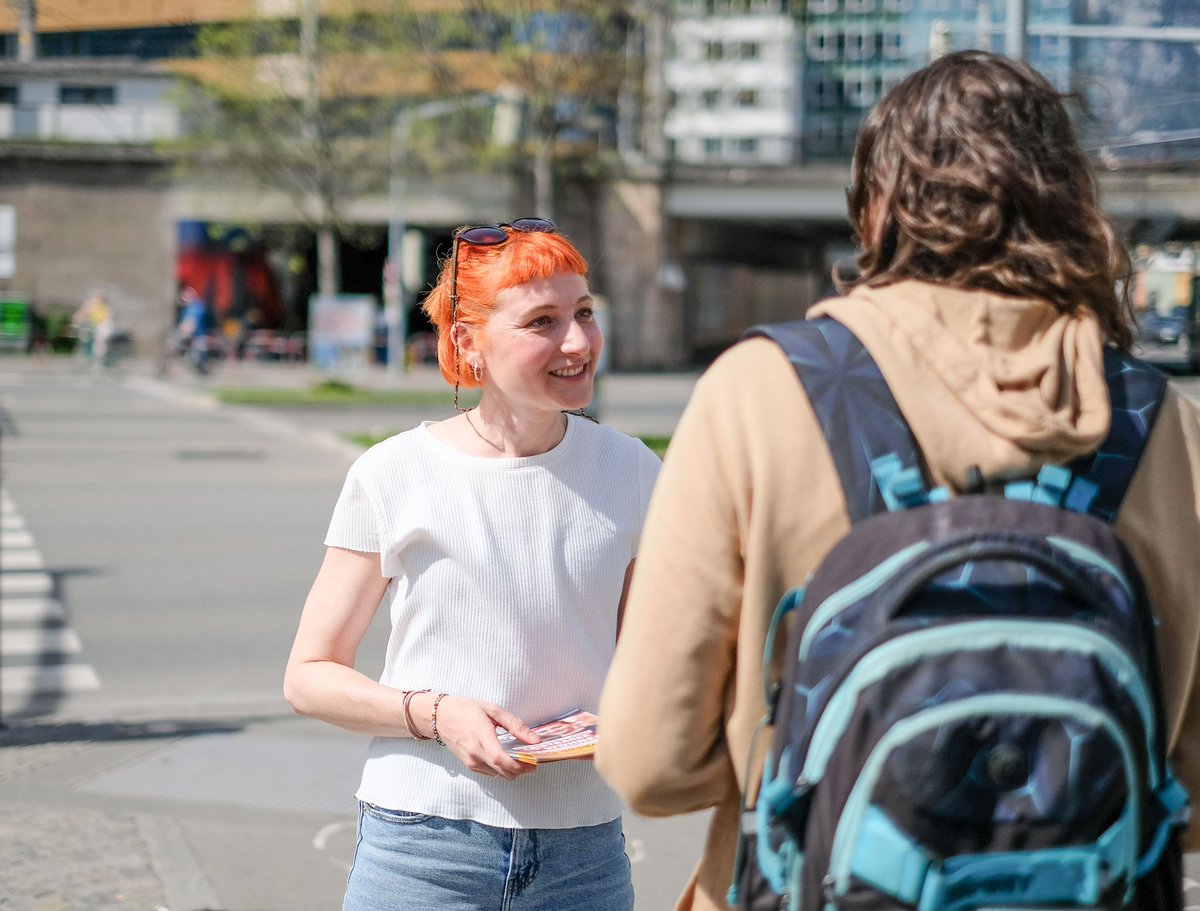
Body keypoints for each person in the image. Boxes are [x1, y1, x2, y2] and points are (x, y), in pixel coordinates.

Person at [596, 50, 1200, 911]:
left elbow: (648, 761)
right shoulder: (1154, 419)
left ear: (877, 207)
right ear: (1069, 207)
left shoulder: (764, 389)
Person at [284, 217, 661, 911]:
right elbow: (309, 677)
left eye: (583, 312)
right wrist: (436, 713)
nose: (577, 341)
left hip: (584, 850)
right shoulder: (394, 472)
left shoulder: (634, 470)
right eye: (542, 321)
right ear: (468, 342)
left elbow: (653, 659)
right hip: (422, 846)